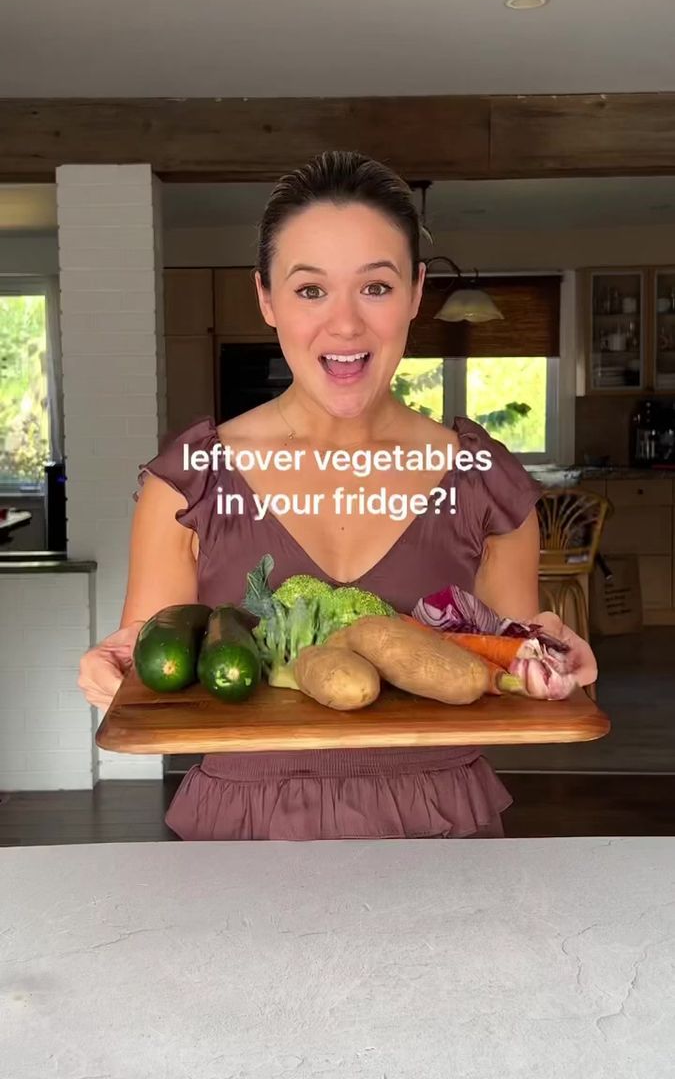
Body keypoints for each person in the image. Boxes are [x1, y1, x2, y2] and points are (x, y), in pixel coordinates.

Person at [78, 150, 597, 841]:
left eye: (375, 288)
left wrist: (552, 659)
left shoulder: (483, 480)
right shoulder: (191, 480)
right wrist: (115, 670)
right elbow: (152, 670)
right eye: (310, 289)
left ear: (415, 293)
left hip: (440, 825)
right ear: (265, 297)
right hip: (244, 831)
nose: (345, 325)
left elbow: (506, 663)